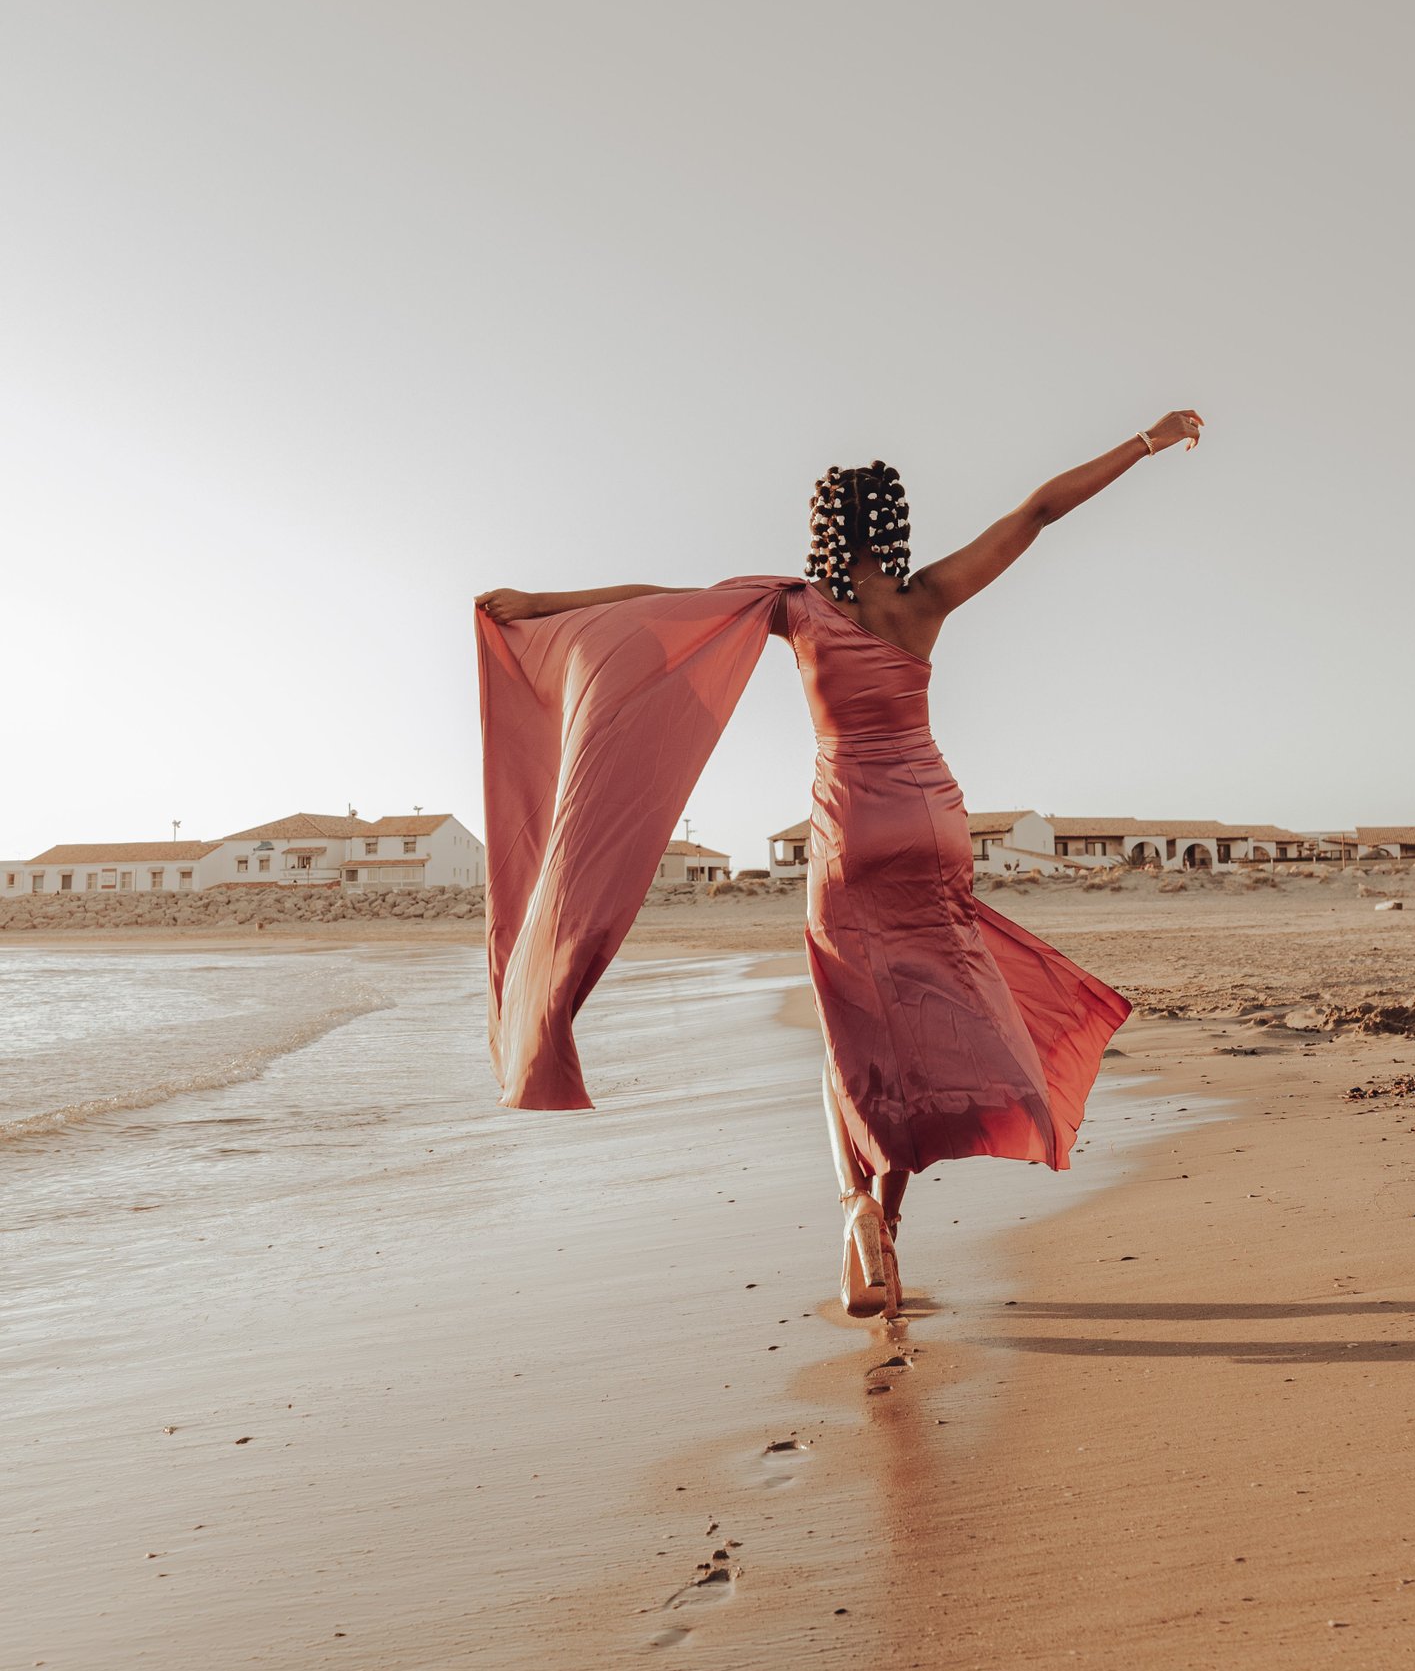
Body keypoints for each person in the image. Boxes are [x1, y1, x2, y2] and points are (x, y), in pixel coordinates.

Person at [475, 410, 1204, 1321]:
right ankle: (889, 1228)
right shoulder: (929, 599)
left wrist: (545, 606)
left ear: (824, 530)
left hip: (851, 836)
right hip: (932, 826)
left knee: (852, 1036)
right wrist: (1147, 439)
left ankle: (857, 1208)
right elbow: (1042, 510)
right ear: (893, 527)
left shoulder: (795, 607)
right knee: (919, 1027)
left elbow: (662, 603)